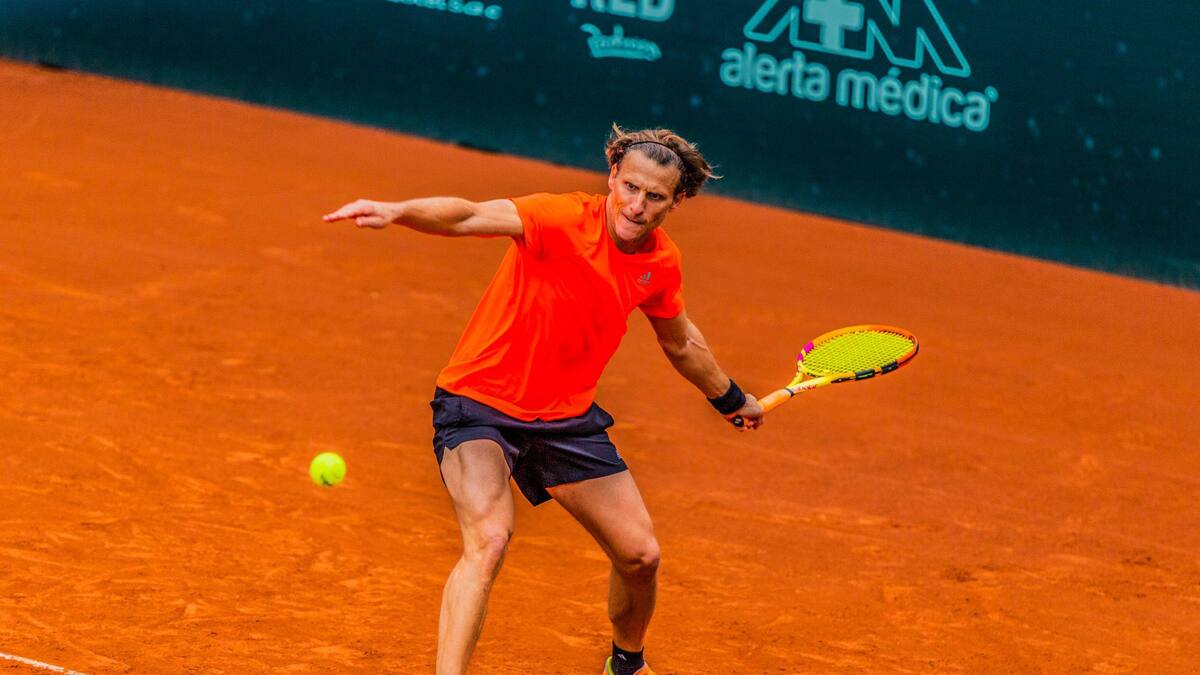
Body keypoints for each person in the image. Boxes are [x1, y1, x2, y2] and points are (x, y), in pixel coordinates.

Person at [324, 124, 764, 675]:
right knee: (489, 540)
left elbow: (680, 342)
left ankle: (626, 663)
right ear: (613, 176)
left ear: (676, 202)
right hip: (478, 404)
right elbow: (467, 215)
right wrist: (397, 211)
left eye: (654, 196)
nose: (636, 205)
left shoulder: (661, 262)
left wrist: (729, 398)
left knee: (640, 556)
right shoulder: (560, 217)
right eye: (630, 187)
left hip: (564, 421)